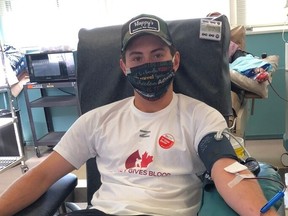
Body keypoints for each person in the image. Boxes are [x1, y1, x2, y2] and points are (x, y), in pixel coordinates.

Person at [0, 14, 278, 216]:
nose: (148, 64)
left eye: (158, 55)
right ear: (124, 66)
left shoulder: (201, 116)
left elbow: (225, 168)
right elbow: (42, 175)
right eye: (137, 58)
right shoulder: (97, 120)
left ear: (175, 61)